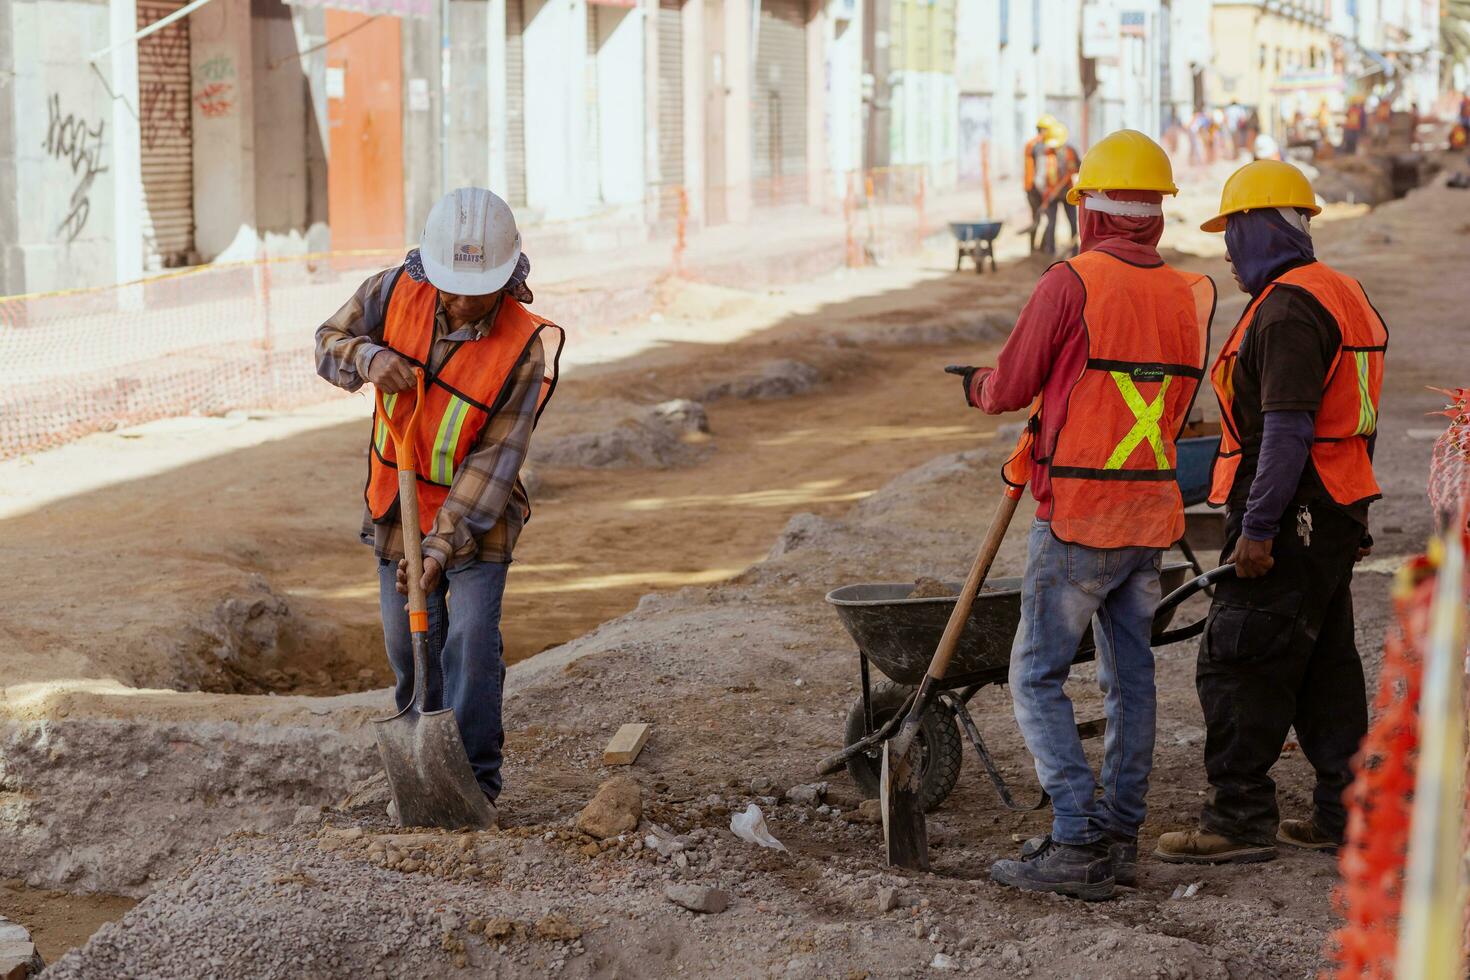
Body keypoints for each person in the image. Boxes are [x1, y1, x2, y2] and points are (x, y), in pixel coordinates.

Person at [952, 130, 1216, 900]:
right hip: (1152, 513)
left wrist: (975, 385)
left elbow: (1008, 387)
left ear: (1089, 212)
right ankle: (1118, 837)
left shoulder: (1070, 283)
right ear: (1157, 216)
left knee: (1035, 676)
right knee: (1130, 679)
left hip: (1078, 516)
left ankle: (1075, 837)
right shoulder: (1190, 294)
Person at [1156, 160, 1386, 864]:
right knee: (1323, 667)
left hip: (1291, 511)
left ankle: (1237, 818)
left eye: (1232, 231)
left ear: (1260, 228)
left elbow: (1286, 430)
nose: (1226, 248)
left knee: (1240, 661)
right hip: (1335, 506)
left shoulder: (1287, 310)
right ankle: (1342, 813)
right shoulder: (1341, 291)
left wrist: (1257, 530)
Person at [315, 187, 564, 824]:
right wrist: (369, 358)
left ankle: (476, 782)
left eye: (473, 289)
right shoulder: (396, 289)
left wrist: (440, 544)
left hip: (475, 517)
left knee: (472, 639)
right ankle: (425, 773)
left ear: (507, 278)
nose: (455, 300)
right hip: (395, 505)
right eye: (449, 285)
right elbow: (328, 341)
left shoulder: (522, 346)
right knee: (409, 644)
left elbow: (494, 462)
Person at [1024, 115, 1079, 256]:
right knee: (1051, 223)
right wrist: (1046, 192)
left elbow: (1077, 168)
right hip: (1051, 194)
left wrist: (1071, 169)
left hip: (1067, 192)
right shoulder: (1043, 152)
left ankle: (1075, 251)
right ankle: (1050, 253)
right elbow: (1039, 178)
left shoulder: (1070, 152)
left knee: (1073, 222)